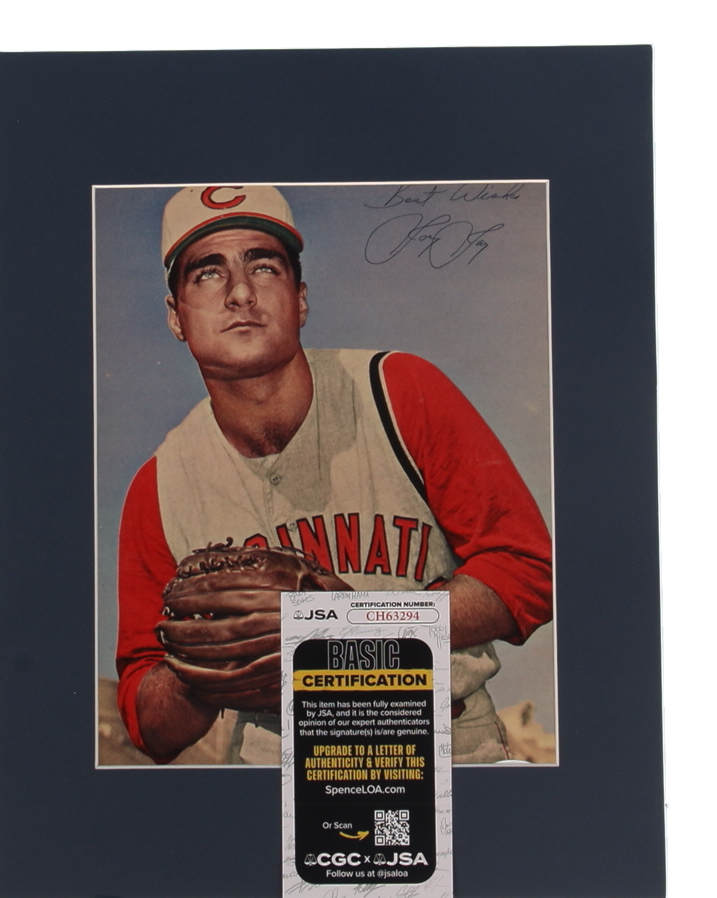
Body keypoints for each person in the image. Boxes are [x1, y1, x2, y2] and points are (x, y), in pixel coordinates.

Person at [115, 185, 552, 765]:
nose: (240, 292)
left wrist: (353, 622)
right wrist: (208, 666)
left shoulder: (399, 392)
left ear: (300, 299)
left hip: (444, 751)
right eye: (208, 273)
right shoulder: (160, 486)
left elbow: (527, 568)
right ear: (176, 316)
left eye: (264, 266)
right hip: (278, 769)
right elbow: (147, 719)